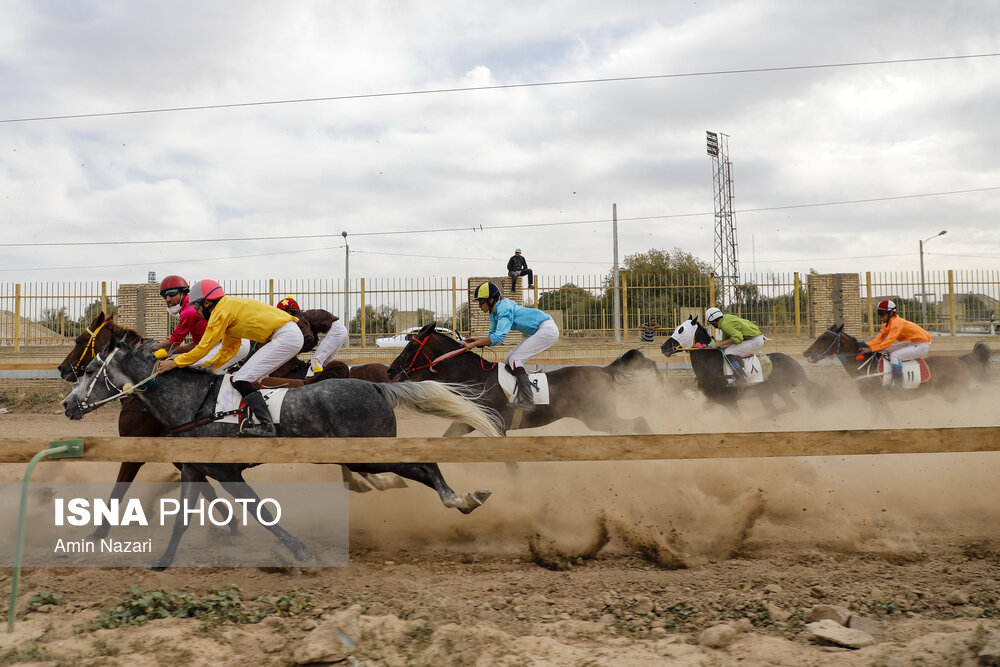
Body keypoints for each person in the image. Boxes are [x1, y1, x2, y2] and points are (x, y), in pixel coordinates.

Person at [155, 280, 303, 437]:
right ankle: (258, 420)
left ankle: (267, 426)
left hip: (286, 337)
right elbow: (227, 350)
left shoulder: (220, 312)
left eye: (196, 307)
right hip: (286, 336)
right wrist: (203, 366)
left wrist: (175, 363)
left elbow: (203, 348)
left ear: (207, 303)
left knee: (242, 379)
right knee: (246, 379)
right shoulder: (227, 309)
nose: (196, 313)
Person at [463, 281, 559, 410]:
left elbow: (498, 337)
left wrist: (474, 344)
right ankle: (518, 393)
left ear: (491, 300)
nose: (479, 305)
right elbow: (493, 339)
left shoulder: (503, 308)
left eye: (481, 302)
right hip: (541, 330)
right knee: (509, 358)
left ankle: (528, 400)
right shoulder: (494, 313)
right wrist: (470, 342)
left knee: (515, 359)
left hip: (547, 330)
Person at [858, 299, 932, 387]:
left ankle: (898, 384)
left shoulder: (897, 323)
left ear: (891, 313)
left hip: (922, 345)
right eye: (879, 313)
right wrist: (864, 345)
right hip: (913, 343)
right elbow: (878, 340)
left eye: (882, 314)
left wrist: (870, 349)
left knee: (895, 355)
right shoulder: (886, 323)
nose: (880, 317)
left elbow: (889, 342)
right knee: (883, 349)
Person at [276, 295, 349, 377]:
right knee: (324, 362)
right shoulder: (302, 316)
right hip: (341, 330)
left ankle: (317, 379)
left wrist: (297, 350)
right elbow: (313, 337)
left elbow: (309, 337)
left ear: (289, 312)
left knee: (316, 361)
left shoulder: (299, 319)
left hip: (337, 331)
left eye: (282, 313)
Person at [705, 306, 764, 385]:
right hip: (753, 338)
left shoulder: (725, 324)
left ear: (713, 321)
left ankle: (740, 377)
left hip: (755, 340)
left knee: (729, 351)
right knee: (728, 349)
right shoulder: (725, 320)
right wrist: (713, 345)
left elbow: (738, 338)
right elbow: (726, 340)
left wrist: (720, 343)